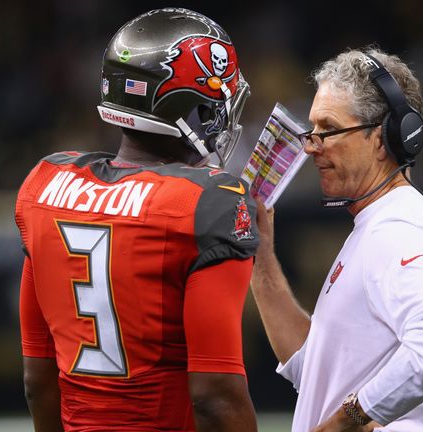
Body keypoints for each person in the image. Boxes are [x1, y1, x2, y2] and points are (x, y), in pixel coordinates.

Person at [15, 8, 259, 432]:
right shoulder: (207, 202)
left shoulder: (45, 186)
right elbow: (215, 395)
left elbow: (39, 379)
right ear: (194, 107)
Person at [250, 47, 423, 431]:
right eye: (313, 129)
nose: (310, 145)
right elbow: (318, 371)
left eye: (330, 129)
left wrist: (347, 420)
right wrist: (260, 258)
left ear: (384, 137)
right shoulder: (375, 225)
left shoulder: (397, 227)